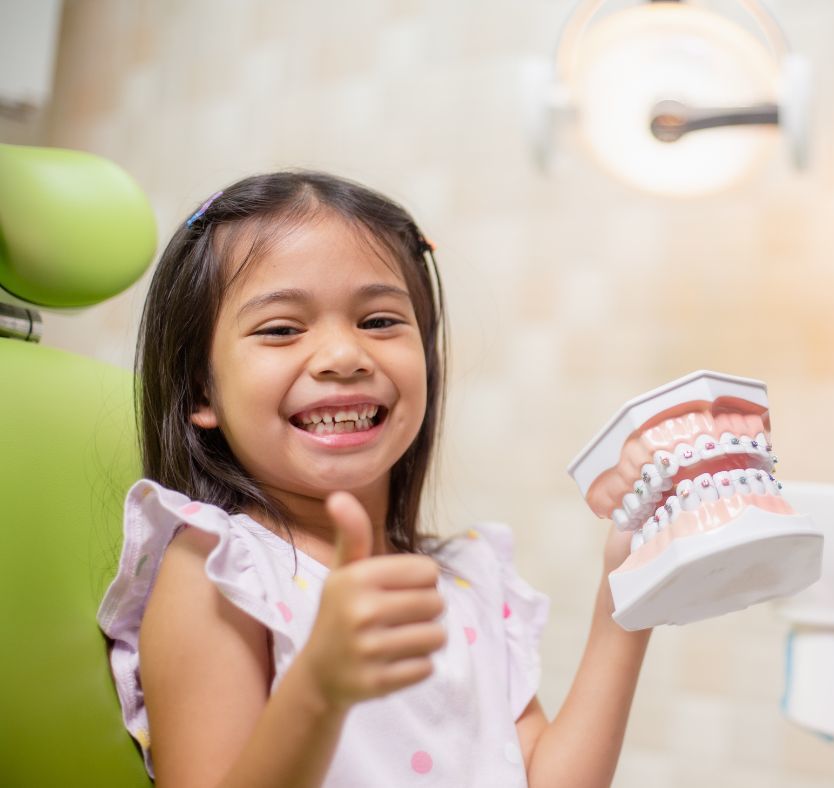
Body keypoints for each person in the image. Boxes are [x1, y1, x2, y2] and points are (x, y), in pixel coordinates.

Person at [97, 171, 651, 787]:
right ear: (202, 389)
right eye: (281, 328)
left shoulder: (468, 577)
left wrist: (629, 588)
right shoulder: (219, 568)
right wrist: (318, 689)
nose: (344, 355)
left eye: (380, 321)